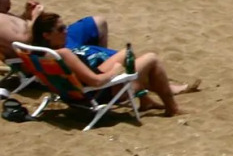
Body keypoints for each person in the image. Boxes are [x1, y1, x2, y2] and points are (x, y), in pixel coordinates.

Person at [28, 11, 200, 117]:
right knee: (151, 59)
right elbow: (96, 81)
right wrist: (115, 72)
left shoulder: (39, 54)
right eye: (61, 29)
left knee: (126, 53)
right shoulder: (64, 54)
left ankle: (146, 101)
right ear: (46, 35)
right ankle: (172, 108)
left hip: (79, 89)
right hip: (99, 92)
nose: (66, 31)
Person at [0, 0, 109, 76]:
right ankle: (95, 72)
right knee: (108, 54)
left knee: (98, 23)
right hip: (49, 53)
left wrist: (26, 15)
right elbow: (23, 43)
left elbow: (20, 30)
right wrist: (35, 17)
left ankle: (95, 68)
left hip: (54, 39)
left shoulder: (4, 15)